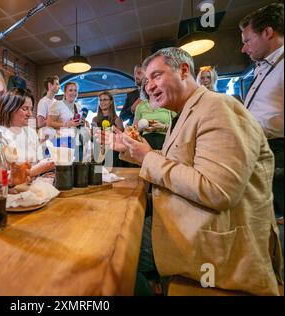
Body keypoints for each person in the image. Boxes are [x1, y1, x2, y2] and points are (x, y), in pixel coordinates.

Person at [105, 47, 282, 296]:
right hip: (184, 223)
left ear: (184, 70)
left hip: (209, 241)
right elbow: (180, 166)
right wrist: (135, 152)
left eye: (156, 76)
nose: (149, 87)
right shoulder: (185, 112)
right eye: (146, 81)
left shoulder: (218, 107)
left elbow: (218, 190)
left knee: (108, 253)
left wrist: (148, 157)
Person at [239, 2, 284, 257]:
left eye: (248, 40)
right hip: (263, 151)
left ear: (267, 32)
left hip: (279, 153)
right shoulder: (265, 67)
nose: (244, 48)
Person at [0, 88, 54, 178]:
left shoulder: (30, 132)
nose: (30, 114)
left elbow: (39, 160)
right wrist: (34, 171)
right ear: (10, 108)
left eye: (31, 109)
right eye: (25, 109)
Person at [133, 80, 176, 150]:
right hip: (145, 141)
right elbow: (134, 129)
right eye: (146, 83)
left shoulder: (168, 102)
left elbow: (179, 127)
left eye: (152, 83)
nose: (150, 86)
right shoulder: (140, 106)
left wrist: (163, 127)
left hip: (165, 140)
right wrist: (140, 128)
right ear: (144, 88)